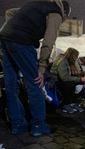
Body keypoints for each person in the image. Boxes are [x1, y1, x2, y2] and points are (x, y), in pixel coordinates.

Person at [0, 0, 70, 136]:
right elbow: (49, 42)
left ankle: (17, 124)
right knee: (35, 83)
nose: (63, 21)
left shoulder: (39, 6)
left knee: (11, 86)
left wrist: (14, 30)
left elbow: (10, 13)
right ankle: (38, 125)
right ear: (65, 13)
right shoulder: (56, 13)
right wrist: (41, 69)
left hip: (4, 37)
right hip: (22, 41)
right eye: (65, 19)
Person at [50, 47, 85, 113]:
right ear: (72, 56)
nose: (77, 58)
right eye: (76, 56)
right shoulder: (62, 62)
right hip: (56, 81)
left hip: (62, 80)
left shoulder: (69, 62)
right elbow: (64, 78)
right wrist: (80, 79)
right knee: (71, 85)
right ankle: (66, 104)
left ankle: (73, 103)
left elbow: (70, 74)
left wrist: (81, 78)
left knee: (80, 83)